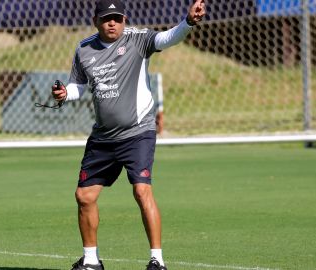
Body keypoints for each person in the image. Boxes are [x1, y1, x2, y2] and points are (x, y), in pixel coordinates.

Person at [52, 0, 205, 269]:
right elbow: (79, 86)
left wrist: (188, 22)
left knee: (141, 190)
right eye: (106, 18)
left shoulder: (138, 40)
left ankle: (157, 260)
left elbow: (168, 38)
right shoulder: (84, 49)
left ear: (124, 19)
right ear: (95, 21)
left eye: (117, 18)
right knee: (84, 196)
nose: (112, 23)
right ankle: (91, 261)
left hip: (138, 133)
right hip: (103, 138)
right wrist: (65, 93)